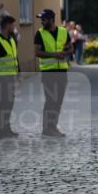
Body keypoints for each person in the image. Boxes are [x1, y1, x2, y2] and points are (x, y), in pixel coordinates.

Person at [34, 9, 72, 137]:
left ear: (51, 20)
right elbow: (37, 52)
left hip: (62, 70)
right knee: (50, 100)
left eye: (44, 19)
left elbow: (71, 47)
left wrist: (65, 52)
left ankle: (53, 127)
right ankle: (47, 129)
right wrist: (54, 54)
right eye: (41, 19)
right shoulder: (39, 33)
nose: (42, 22)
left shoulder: (63, 31)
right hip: (48, 72)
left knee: (58, 101)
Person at [0, 14, 19, 138]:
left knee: (9, 103)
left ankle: (6, 127)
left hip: (10, 77)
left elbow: (15, 58)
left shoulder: (11, 39)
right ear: (6, 25)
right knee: (2, 104)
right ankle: (1, 129)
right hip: (0, 78)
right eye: (12, 25)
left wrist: (19, 74)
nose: (14, 27)